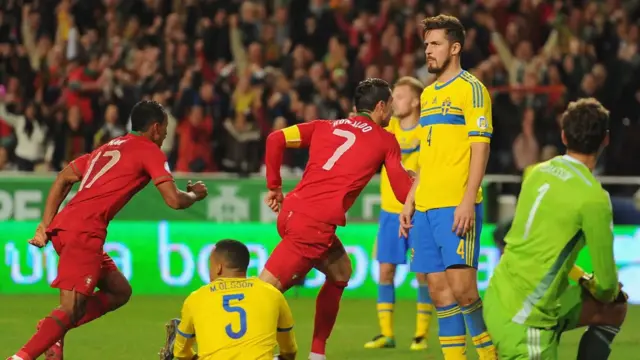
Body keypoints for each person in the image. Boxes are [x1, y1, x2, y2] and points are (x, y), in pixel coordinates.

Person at [7, 100, 208, 360]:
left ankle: (51, 331)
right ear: (155, 128)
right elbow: (174, 200)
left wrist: (46, 224)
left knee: (119, 291)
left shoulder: (107, 147)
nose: (167, 135)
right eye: (166, 129)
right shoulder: (150, 150)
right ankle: (23, 354)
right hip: (84, 232)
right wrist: (194, 194)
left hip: (68, 226)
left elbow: (64, 177)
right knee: (70, 310)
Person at [259, 78, 414, 360]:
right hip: (313, 226)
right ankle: (247, 352)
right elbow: (404, 193)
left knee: (341, 272)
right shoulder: (385, 141)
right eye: (390, 106)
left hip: (291, 212)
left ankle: (317, 354)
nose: (391, 113)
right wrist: (418, 181)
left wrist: (274, 186)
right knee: (262, 294)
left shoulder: (325, 126)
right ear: (380, 107)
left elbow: (275, 139)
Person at [484, 98, 628, 359]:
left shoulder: (535, 172)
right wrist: (596, 285)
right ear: (605, 139)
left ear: (563, 135)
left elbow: (540, 248)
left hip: (497, 295)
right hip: (526, 320)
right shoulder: (594, 199)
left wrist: (583, 279)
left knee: (614, 310)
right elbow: (607, 287)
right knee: (613, 300)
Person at [399, 15, 497, 360]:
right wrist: (410, 200)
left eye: (435, 44)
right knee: (439, 292)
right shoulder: (427, 95)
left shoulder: (472, 89)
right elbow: (427, 155)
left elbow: (480, 147)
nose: (428, 50)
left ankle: (488, 355)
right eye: (426, 44)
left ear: (455, 48)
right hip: (425, 207)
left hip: (456, 205)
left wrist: (468, 200)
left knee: (464, 290)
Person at [363, 77, 433, 351]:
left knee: (423, 275)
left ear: (415, 101)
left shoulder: (426, 130)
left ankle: (420, 335)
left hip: (418, 212)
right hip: (390, 212)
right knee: (385, 271)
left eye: (400, 96)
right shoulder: (387, 127)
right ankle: (386, 334)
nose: (395, 102)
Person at [160, 239, 297, 360]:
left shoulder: (196, 299)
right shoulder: (272, 294)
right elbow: (290, 352)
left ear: (218, 267)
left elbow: (181, 353)